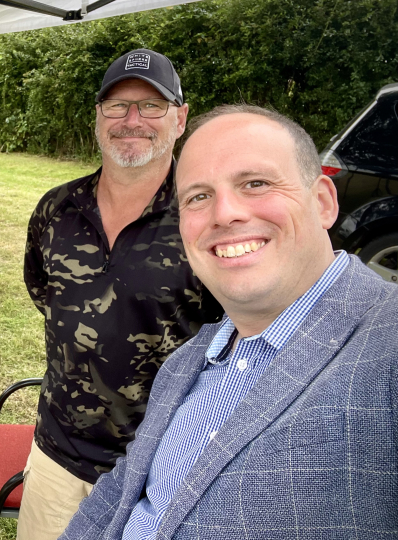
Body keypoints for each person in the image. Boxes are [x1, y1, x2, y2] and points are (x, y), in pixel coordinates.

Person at [61, 105, 398, 540]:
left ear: (322, 203)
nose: (225, 213)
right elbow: (127, 489)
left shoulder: (385, 343)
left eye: (255, 183)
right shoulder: (188, 362)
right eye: (198, 197)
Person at [21, 49, 222, 539]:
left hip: (161, 472)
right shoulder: (57, 209)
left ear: (180, 118)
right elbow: (43, 291)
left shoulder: (207, 220)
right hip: (55, 459)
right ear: (97, 117)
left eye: (151, 106)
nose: (132, 120)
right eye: (117, 106)